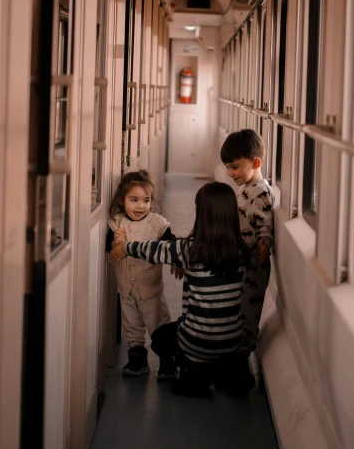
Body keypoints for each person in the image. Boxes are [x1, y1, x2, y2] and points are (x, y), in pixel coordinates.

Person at [109, 181, 252, 397]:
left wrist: (125, 247)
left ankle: (192, 369)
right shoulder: (242, 250)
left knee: (160, 338)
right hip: (233, 341)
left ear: (201, 213)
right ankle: (229, 370)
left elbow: (155, 249)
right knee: (224, 346)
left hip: (195, 342)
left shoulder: (189, 249)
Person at [107, 170, 173, 379]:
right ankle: (137, 358)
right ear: (122, 200)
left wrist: (177, 262)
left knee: (159, 323)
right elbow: (110, 251)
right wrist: (116, 243)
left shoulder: (157, 223)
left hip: (150, 287)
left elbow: (170, 246)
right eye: (133, 200)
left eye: (146, 200)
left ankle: (167, 360)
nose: (140, 206)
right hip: (126, 287)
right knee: (132, 324)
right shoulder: (116, 222)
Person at [220, 129, 275, 353]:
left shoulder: (260, 192)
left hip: (254, 264)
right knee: (238, 310)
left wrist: (264, 244)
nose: (230, 173)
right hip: (242, 261)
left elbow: (265, 223)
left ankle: (241, 362)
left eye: (235, 167)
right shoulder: (247, 189)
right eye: (227, 168)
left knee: (247, 313)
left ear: (255, 162)